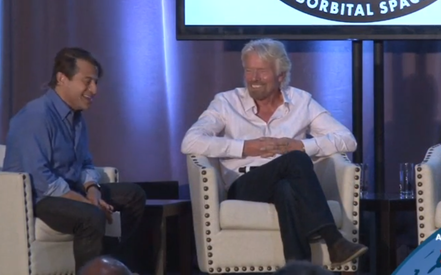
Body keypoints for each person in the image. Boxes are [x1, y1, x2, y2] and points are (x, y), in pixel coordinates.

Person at [181, 39, 368, 265]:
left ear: (281, 75)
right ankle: (332, 238)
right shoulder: (226, 102)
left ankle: (298, 266)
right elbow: (190, 142)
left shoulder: (301, 102)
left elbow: (348, 140)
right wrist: (245, 146)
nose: (253, 78)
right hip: (245, 184)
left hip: (292, 182)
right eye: (248, 71)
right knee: (295, 161)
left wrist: (300, 145)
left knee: (286, 188)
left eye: (261, 72)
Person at [3, 48, 146, 272]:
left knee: (132, 195)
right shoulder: (35, 116)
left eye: (96, 82)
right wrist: (85, 202)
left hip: (69, 191)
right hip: (38, 198)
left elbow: (85, 163)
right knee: (91, 215)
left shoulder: (76, 118)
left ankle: (109, 265)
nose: (94, 90)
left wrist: (92, 189)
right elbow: (40, 179)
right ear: (62, 78)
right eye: (87, 81)